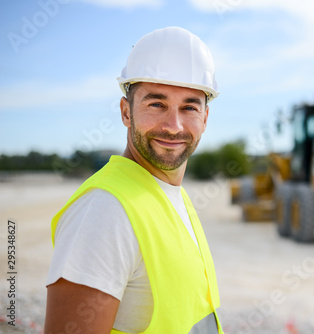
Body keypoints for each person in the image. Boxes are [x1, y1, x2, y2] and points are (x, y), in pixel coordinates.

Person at [44, 27, 224, 334]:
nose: (173, 126)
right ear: (126, 112)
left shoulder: (171, 196)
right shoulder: (105, 210)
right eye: (157, 104)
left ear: (205, 118)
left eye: (189, 107)